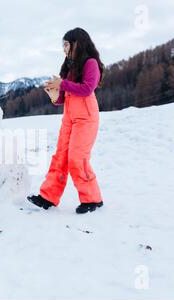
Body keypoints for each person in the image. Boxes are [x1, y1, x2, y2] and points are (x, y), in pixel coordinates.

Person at [28, 27, 104, 214]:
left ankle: (92, 199)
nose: (64, 49)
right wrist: (54, 95)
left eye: (66, 44)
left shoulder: (90, 63)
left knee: (77, 158)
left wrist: (61, 84)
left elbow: (86, 88)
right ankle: (48, 196)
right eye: (62, 45)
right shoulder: (69, 67)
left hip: (86, 118)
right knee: (60, 157)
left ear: (77, 43)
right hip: (69, 118)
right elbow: (63, 97)